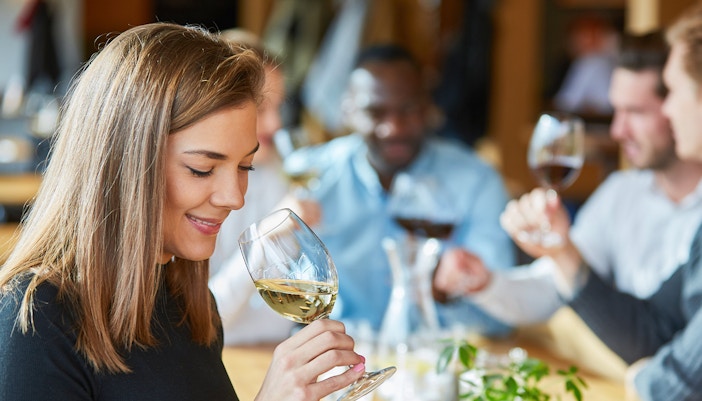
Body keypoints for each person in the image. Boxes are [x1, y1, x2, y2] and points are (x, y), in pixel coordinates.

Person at [0, 23, 367, 401]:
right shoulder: (38, 316)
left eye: (245, 167)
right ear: (124, 163)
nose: (235, 198)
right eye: (202, 169)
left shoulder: (188, 302)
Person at [500, 3, 702, 400]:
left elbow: (677, 380)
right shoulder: (623, 193)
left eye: (675, 91)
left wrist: (646, 379)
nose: (671, 108)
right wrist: (560, 253)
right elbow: (659, 332)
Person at [433, 31, 702, 326]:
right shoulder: (622, 193)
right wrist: (484, 283)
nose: (617, 131)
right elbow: (550, 289)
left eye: (635, 112)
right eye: (616, 111)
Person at [283, 43, 516, 336]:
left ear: (429, 107)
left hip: (441, 360)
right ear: (348, 110)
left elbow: (500, 320)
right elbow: (277, 299)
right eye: (376, 112)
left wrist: (458, 287)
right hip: (335, 357)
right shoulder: (311, 176)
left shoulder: (476, 181)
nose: (393, 128)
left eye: (408, 110)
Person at [208, 28, 300, 346]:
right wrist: (264, 240)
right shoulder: (198, 193)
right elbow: (210, 322)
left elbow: (285, 312)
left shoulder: (274, 171)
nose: (276, 125)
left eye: (279, 107)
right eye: (262, 109)